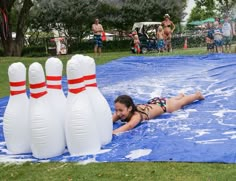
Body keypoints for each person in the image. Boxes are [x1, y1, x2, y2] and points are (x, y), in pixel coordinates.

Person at [112, 91, 204, 134]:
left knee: (181, 103)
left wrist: (112, 132)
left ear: (129, 108)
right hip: (154, 103)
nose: (118, 113)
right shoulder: (121, 112)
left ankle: (196, 95)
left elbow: (129, 126)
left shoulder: (136, 116)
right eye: (116, 110)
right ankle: (179, 96)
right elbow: (109, 120)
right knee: (170, 100)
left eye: (120, 110)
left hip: (165, 107)